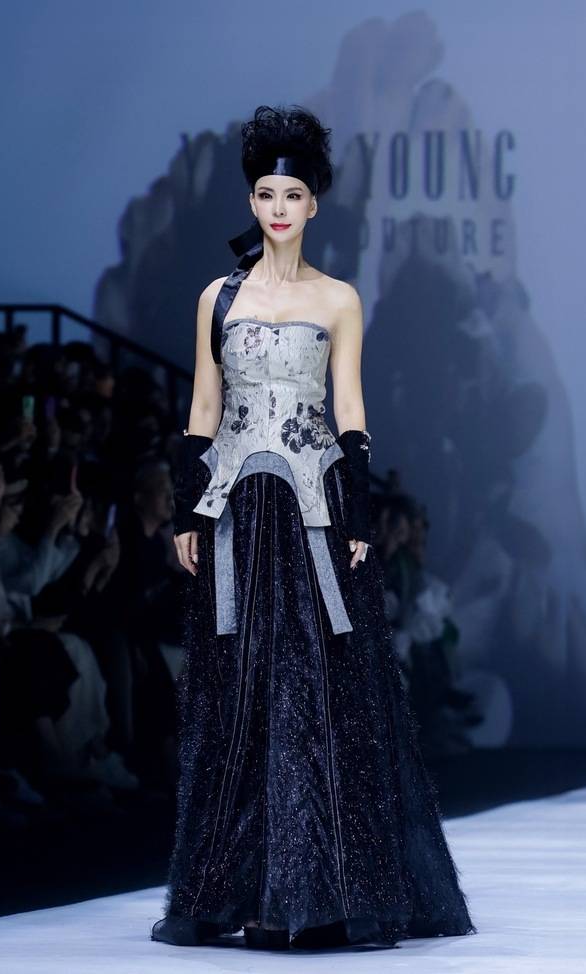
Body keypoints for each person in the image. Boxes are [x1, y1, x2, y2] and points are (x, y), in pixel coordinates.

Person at [150, 104, 477, 952]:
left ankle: (323, 894)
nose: (279, 208)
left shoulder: (338, 299)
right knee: (238, 689)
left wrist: (358, 508)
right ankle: (228, 890)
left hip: (311, 508)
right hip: (235, 507)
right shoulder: (217, 298)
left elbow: (351, 407)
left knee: (317, 693)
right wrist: (187, 506)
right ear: (252, 202)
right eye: (266, 194)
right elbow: (203, 406)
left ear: (314, 204)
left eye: (292, 194)